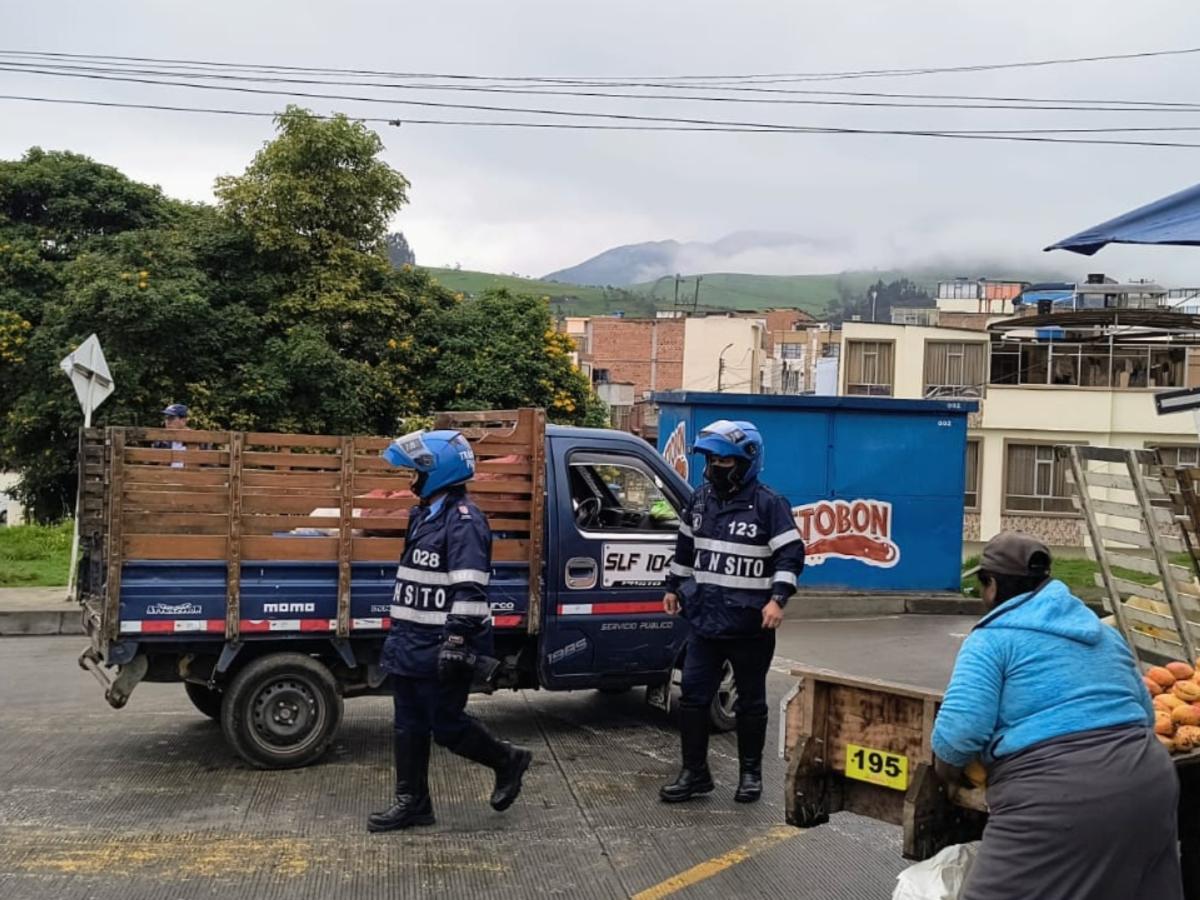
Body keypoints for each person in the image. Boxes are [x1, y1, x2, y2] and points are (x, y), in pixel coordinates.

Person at [932, 532, 1182, 900]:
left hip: (1056, 802)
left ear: (993, 585)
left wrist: (947, 778)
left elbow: (959, 733)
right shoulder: (1102, 634)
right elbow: (1144, 716)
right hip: (1150, 784)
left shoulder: (991, 640)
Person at [368, 429, 533, 833]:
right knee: (407, 724)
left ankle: (507, 760)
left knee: (445, 725)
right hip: (410, 640)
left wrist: (456, 641)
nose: (410, 481)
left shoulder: (464, 522)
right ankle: (412, 803)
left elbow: (471, 587)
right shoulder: (423, 515)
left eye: (416, 472)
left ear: (437, 472)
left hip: (443, 645)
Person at [660, 419, 805, 804]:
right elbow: (685, 550)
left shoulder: (770, 505)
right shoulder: (700, 500)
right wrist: (673, 587)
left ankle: (750, 776)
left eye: (722, 462)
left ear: (746, 461)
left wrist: (778, 599)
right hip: (705, 622)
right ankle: (695, 774)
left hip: (749, 625)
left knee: (751, 702)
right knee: (692, 698)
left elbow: (790, 555)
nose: (713, 469)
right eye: (709, 461)